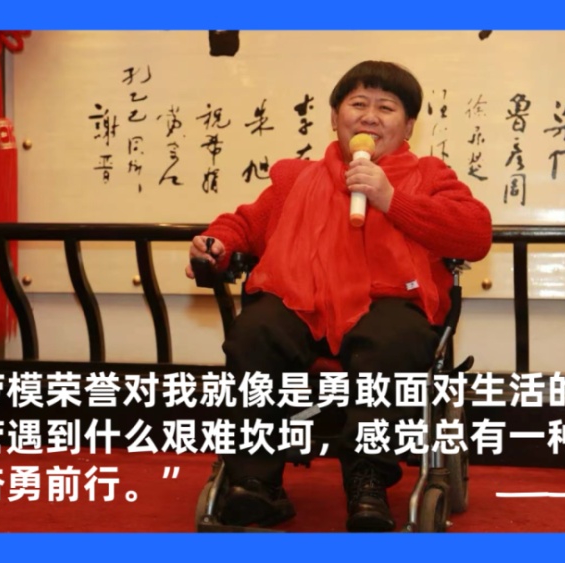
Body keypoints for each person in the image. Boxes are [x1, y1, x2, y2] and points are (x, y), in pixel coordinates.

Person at [185, 60, 492, 531]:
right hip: (303, 304)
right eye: (358, 104)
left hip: (388, 306)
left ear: (409, 125)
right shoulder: (297, 179)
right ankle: (255, 482)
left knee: (392, 340)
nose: (370, 117)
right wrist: (217, 244)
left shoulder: (429, 175)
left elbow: (474, 234)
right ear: (335, 117)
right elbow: (244, 224)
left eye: (386, 108)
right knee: (256, 330)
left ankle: (367, 480)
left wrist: (392, 199)